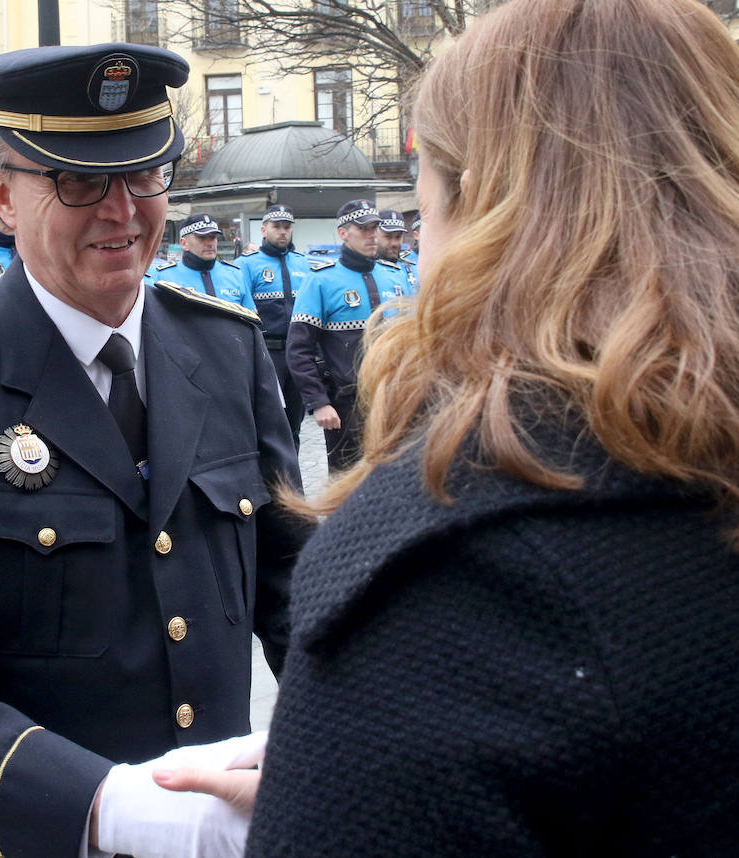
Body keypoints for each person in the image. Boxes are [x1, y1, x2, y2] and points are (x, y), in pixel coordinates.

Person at [166, 0, 739, 852]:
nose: (404, 241)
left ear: (479, 216)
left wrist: (351, 788)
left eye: (420, 210)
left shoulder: (453, 572)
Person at [0, 42, 311, 858]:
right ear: (0, 198)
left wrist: (348, 753)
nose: (123, 211)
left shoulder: (227, 350)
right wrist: (107, 808)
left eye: (145, 175)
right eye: (79, 181)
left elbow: (299, 598)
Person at [285, 199, 406, 472]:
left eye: (375, 228)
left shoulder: (396, 276)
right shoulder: (321, 280)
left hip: (394, 399)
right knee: (347, 485)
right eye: (364, 229)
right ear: (343, 233)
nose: (372, 235)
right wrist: (319, 402)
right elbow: (299, 348)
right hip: (347, 405)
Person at [238, 204, 308, 455]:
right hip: (267, 353)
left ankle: (292, 484)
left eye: (287, 227)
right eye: (276, 227)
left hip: (297, 354)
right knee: (266, 422)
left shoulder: (303, 264)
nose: (282, 232)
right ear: (263, 229)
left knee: (294, 425)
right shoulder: (247, 264)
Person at [147, 214, 253, 310]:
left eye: (213, 237)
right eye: (202, 238)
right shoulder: (161, 277)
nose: (210, 243)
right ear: (184, 243)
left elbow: (250, 319)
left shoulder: (235, 274)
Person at [377, 208, 419, 296]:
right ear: (374, 235)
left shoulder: (413, 267)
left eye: (398, 237)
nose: (394, 243)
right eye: (388, 237)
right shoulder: (367, 270)